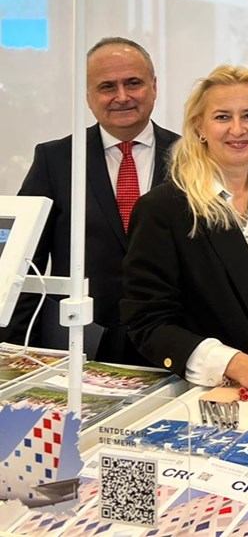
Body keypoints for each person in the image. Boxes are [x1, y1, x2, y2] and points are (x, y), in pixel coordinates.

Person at [121, 66, 248, 398]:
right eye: (222, 117)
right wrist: (238, 365)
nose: (237, 129)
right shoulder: (163, 210)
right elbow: (149, 322)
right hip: (199, 397)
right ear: (199, 127)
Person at [2, 38, 178, 363]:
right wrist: (15, 349)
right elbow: (25, 263)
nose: (122, 96)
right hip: (82, 340)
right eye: (107, 86)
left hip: (174, 339)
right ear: (88, 96)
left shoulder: (193, 158)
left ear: (154, 87)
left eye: (133, 83)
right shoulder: (56, 160)